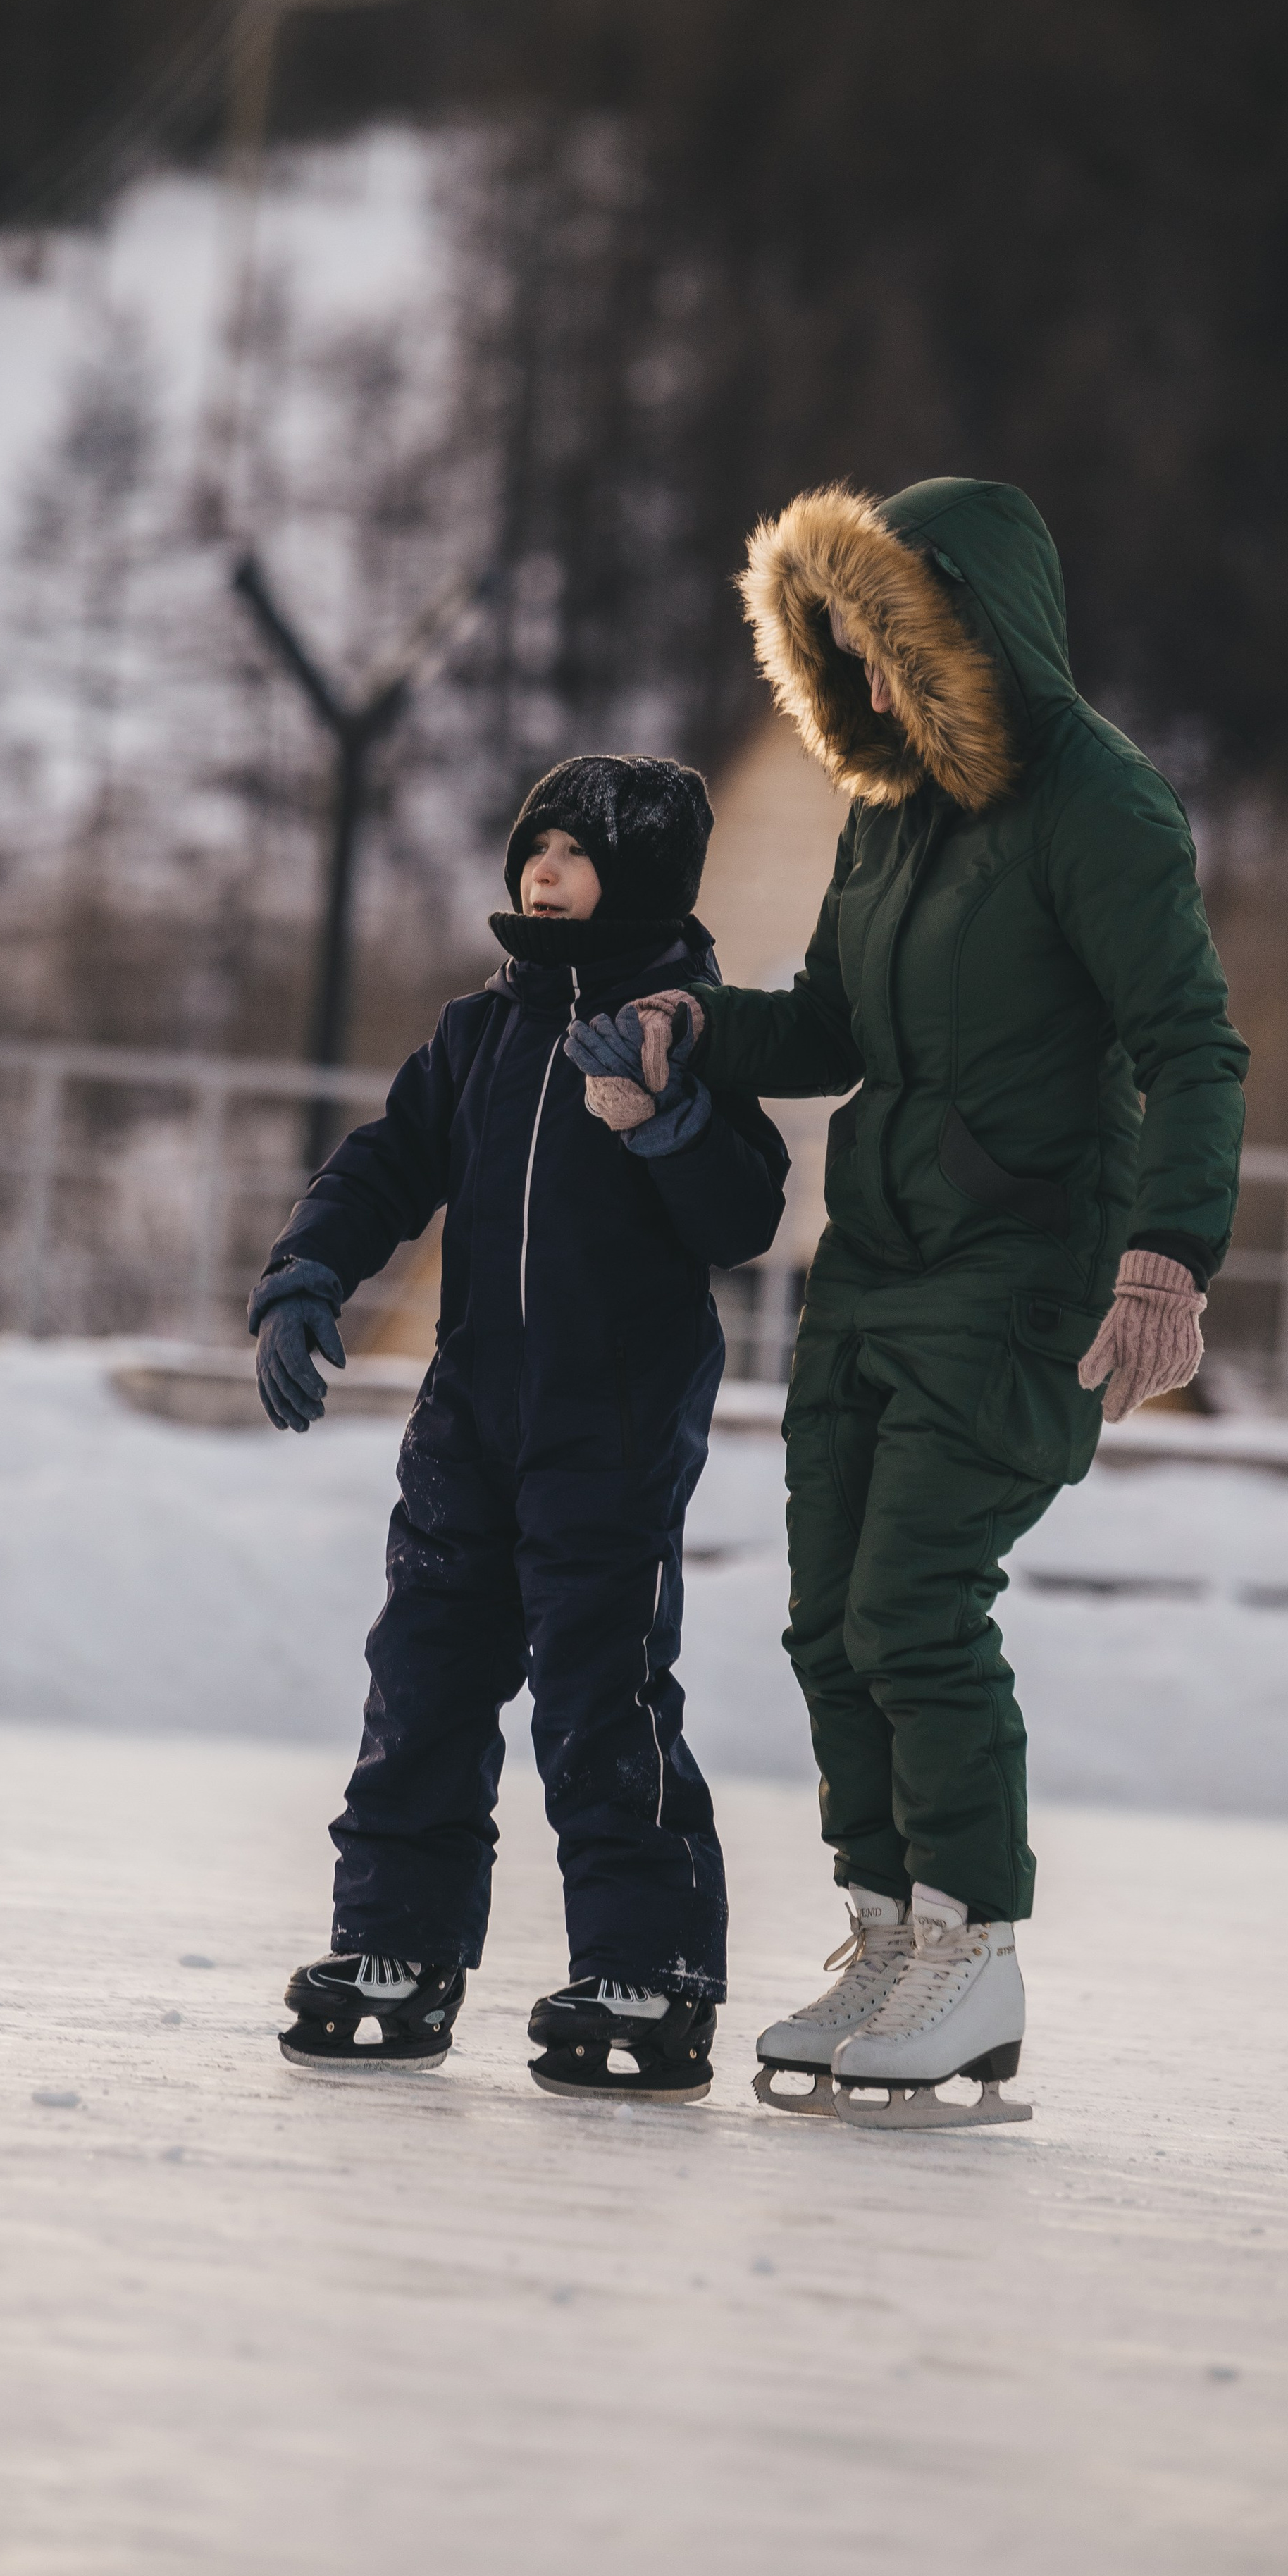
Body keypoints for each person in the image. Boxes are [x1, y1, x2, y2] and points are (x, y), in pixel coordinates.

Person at [576, 479, 1248, 2129]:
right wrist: (692, 1028)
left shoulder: (1101, 810)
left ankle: (972, 1947)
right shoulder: (888, 809)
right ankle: (886, 1935)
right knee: (825, 1623)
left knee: (914, 1606)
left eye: (891, 645)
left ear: (974, 633)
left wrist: (1163, 1260)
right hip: (867, 1266)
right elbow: (828, 1020)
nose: (865, 684)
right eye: (845, 651)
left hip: (1022, 1275)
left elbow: (1188, 1047)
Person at [249, 755, 788, 2101]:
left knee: (602, 1696)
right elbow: (386, 1160)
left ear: (645, 878)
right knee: (423, 1675)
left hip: (609, 1428)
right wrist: (309, 1272)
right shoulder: (481, 1031)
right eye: (531, 849)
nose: (540, 873)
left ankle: (647, 1966)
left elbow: (745, 1214)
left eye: (573, 852)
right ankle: (396, 1946)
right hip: (469, 1418)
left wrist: (664, 1122)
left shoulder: (683, 1030)